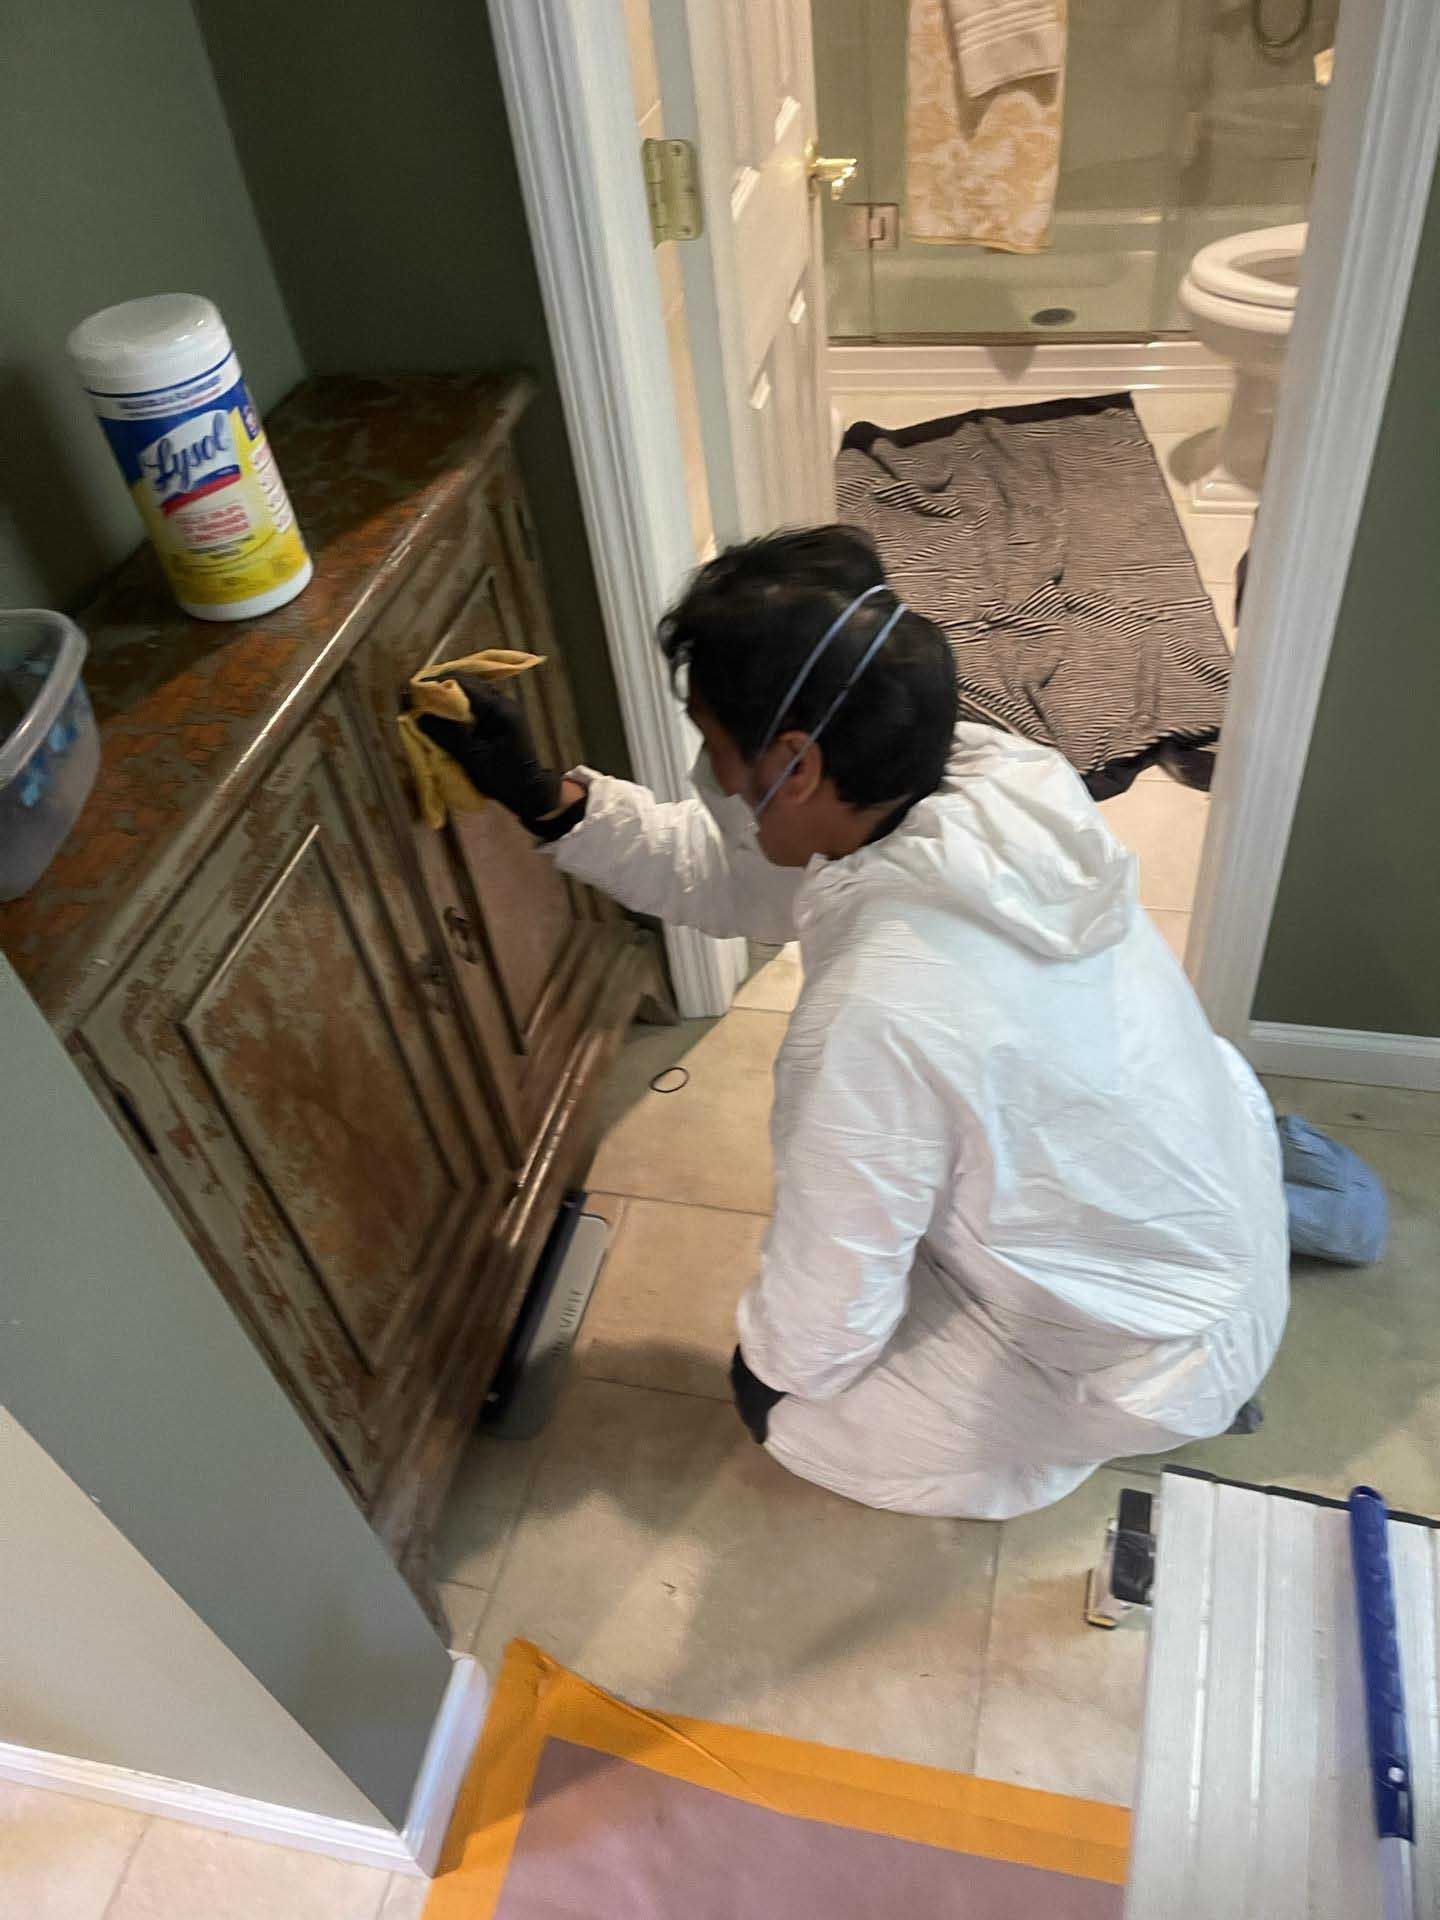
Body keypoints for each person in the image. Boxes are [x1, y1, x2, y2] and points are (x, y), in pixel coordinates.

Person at [417, 527, 1289, 1520]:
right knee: (938, 1169)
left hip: (1147, 1347)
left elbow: (832, 1289)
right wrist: (547, 800)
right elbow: (728, 873)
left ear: (795, 760)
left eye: (713, 746)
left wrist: (773, 1371)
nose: (712, 777)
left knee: (800, 1420)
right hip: (1214, 1185)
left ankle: (1086, 1427)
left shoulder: (877, 1010)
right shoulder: (990, 776)